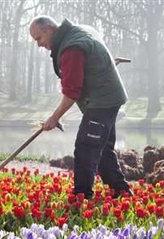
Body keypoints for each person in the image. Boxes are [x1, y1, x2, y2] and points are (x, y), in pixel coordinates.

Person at [29, 16, 132, 200]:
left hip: (102, 101)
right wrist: (100, 65)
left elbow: (71, 91)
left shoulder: (72, 48)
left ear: (50, 29)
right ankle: (120, 191)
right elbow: (93, 56)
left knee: (86, 147)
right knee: (102, 148)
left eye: (39, 38)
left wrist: (54, 118)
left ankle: (81, 196)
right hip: (109, 97)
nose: (39, 45)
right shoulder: (80, 30)